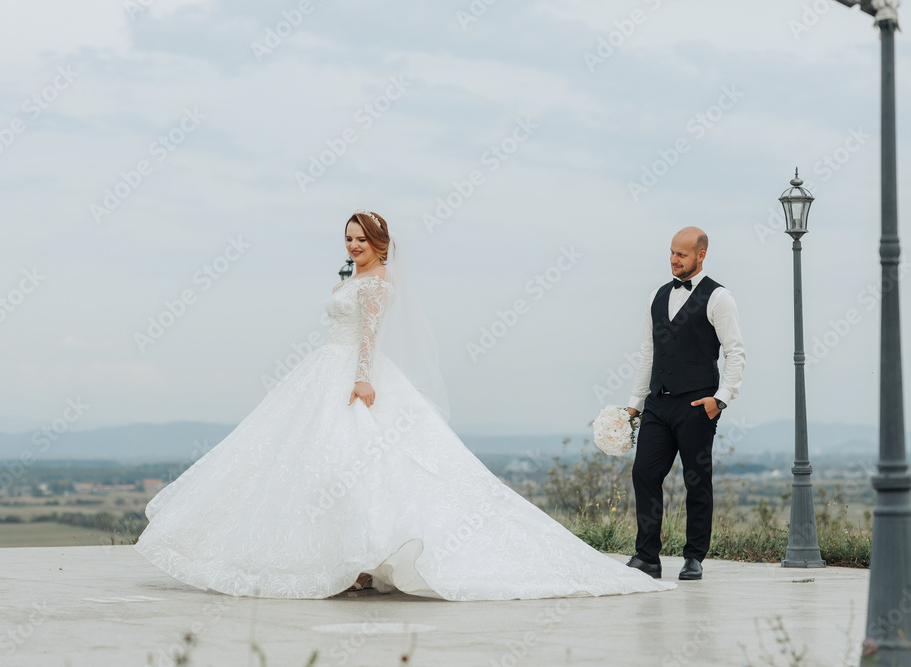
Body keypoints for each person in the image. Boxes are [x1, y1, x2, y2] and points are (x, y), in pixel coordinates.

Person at [135, 210, 674, 600]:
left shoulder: (376, 286)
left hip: (354, 373)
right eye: (348, 239)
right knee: (317, 463)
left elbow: (370, 334)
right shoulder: (354, 278)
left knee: (359, 465)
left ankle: (361, 563)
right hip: (324, 369)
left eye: (361, 239)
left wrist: (364, 381)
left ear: (379, 243)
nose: (352, 246)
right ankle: (350, 560)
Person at [625, 227, 745, 581]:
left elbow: (735, 351)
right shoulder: (657, 296)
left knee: (697, 480)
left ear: (701, 255)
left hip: (697, 405)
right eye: (672, 253)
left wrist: (721, 399)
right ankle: (647, 556)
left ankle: (694, 557)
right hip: (657, 405)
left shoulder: (719, 297)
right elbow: (648, 351)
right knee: (644, 474)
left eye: (682, 254)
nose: (674, 259)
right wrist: (635, 402)